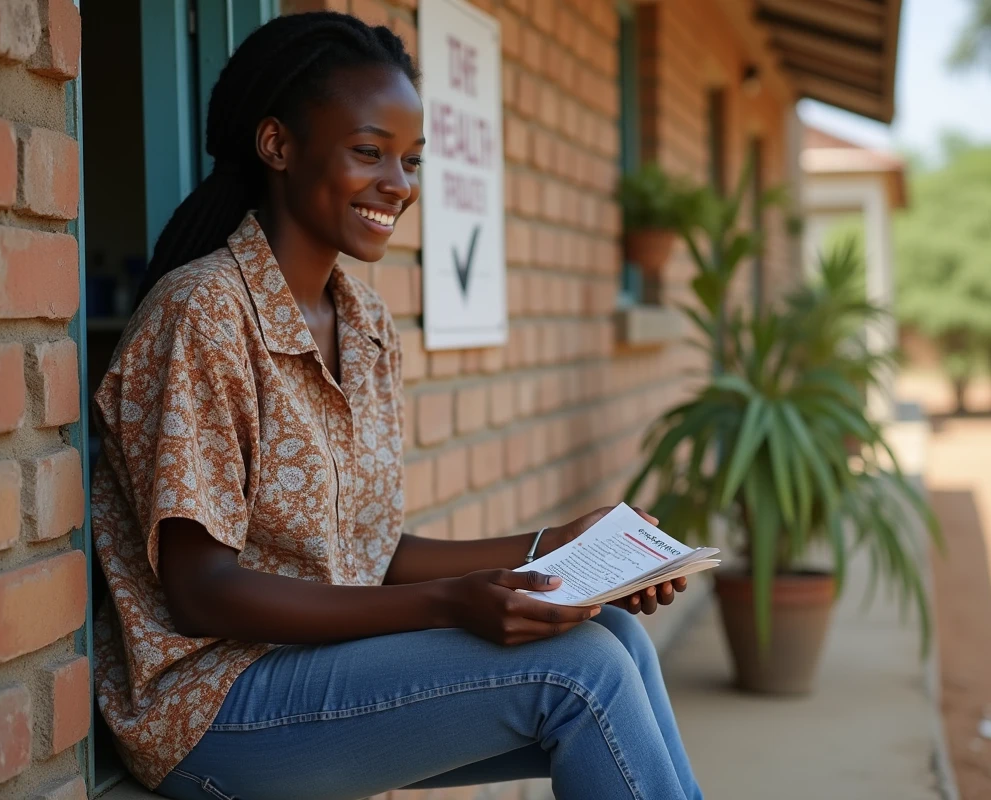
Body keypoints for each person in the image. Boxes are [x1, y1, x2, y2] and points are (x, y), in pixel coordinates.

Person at [91, 12, 703, 800]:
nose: (399, 185)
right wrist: (448, 603)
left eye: (411, 161)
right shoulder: (204, 314)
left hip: (321, 677)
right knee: (580, 672)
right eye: (368, 152)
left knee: (614, 634)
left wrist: (557, 548)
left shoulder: (368, 326)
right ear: (277, 145)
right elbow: (200, 588)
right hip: (213, 708)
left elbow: (371, 550)